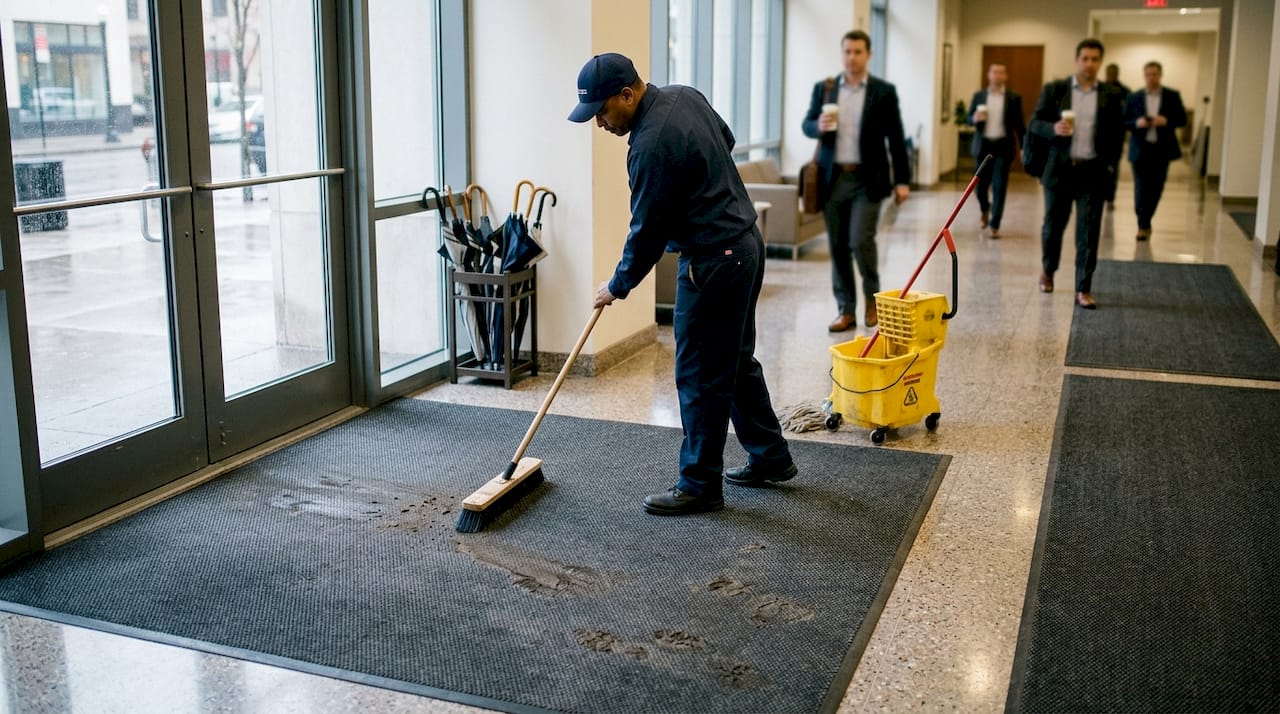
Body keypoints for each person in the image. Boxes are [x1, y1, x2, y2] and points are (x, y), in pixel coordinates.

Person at [568, 53, 796, 516]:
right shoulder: (684, 96)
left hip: (714, 262)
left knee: (699, 374)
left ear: (627, 95)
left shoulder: (649, 145)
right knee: (732, 361)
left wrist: (618, 285)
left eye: (602, 112)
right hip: (746, 243)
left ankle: (699, 485)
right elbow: (725, 142)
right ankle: (771, 457)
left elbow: (647, 230)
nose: (600, 124)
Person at [801, 29, 911, 333]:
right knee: (837, 246)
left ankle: (872, 298)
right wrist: (817, 125)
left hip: (868, 180)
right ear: (842, 54)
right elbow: (806, 124)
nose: (852, 57)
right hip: (833, 179)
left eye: (858, 52)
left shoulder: (883, 92)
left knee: (860, 240)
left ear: (868, 55)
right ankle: (845, 310)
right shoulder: (825, 90)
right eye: (847, 51)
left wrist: (903, 180)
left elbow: (897, 139)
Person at [1029, 38, 1126, 309]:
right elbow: (1034, 123)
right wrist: (1053, 129)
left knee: (1089, 231)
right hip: (1060, 171)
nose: (1089, 64)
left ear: (1100, 62)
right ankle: (1048, 272)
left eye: (1095, 59)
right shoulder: (1056, 90)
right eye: (1085, 58)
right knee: (1053, 228)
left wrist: (1110, 166)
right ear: (1076, 60)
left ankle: (1083, 288)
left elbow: (1118, 134)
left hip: (1092, 172)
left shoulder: (1110, 94)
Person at [1123, 61, 1186, 241]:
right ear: (1144, 76)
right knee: (1140, 188)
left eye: (1155, 74)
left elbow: (1182, 119)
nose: (1152, 78)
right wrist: (1137, 123)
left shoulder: (1172, 96)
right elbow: (1123, 121)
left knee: (1156, 188)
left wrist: (1165, 120)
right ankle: (1143, 225)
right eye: (1148, 74)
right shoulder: (1133, 97)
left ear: (1160, 75)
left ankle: (1146, 219)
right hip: (1140, 149)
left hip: (1162, 150)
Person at [967, 61, 1026, 238]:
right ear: (989, 75)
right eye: (995, 72)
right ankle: (985, 209)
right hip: (983, 145)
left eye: (1001, 72)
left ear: (1005, 76)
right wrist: (974, 118)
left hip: (1003, 146)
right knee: (979, 187)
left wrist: (1024, 148)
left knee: (1000, 186)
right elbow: (968, 116)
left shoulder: (1013, 98)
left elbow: (1020, 125)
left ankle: (995, 224)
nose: (998, 76)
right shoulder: (979, 96)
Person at [1100, 63, 1131, 209]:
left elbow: (1128, 114)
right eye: (1109, 72)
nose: (1111, 75)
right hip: (1099, 136)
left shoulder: (1125, 92)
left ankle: (1110, 198)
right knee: (1099, 167)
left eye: (1114, 72)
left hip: (1116, 136)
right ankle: (1099, 194)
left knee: (1114, 168)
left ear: (1118, 73)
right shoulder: (1099, 88)